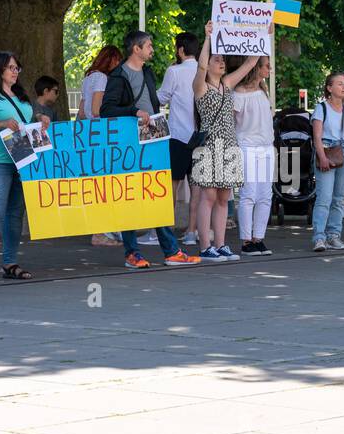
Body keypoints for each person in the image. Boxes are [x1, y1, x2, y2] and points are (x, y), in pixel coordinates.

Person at [100, 30, 200, 268]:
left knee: (158, 193)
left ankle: (170, 250)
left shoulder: (147, 72)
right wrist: (133, 112)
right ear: (136, 49)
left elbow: (154, 102)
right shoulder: (118, 76)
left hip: (154, 137)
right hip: (131, 142)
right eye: (148, 46)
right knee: (130, 196)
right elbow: (107, 110)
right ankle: (132, 252)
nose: (152, 49)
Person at [191, 20, 259, 263]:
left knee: (223, 197)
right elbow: (200, 67)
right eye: (216, 59)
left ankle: (220, 245)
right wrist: (207, 38)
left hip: (229, 146)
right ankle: (205, 246)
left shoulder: (227, 85)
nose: (221, 62)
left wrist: (263, 34)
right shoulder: (200, 86)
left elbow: (251, 62)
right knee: (207, 197)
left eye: (222, 60)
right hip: (209, 146)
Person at [0, 51, 42, 280]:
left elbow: (26, 123)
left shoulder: (20, 95)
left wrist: (40, 120)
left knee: (15, 213)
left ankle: (10, 262)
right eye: (11, 68)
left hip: (21, 157)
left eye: (17, 68)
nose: (15, 72)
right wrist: (4, 123)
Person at [158, 32, 202, 246]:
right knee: (196, 187)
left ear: (181, 50)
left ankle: (167, 229)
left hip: (178, 135)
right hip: (199, 137)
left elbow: (162, 97)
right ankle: (192, 230)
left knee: (172, 185)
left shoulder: (174, 71)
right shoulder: (204, 71)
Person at [78, 45, 123, 248]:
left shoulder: (88, 78)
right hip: (102, 134)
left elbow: (81, 112)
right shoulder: (103, 79)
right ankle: (102, 232)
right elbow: (97, 110)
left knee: (96, 184)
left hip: (88, 134)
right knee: (106, 183)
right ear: (111, 60)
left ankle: (101, 229)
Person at [231, 53, 274, 255]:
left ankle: (259, 237)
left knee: (265, 195)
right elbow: (232, 122)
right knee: (249, 194)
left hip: (266, 146)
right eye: (266, 65)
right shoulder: (238, 92)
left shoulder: (262, 90)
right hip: (247, 147)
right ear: (255, 67)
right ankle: (247, 240)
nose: (269, 69)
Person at [311, 72, 344, 252]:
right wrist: (321, 156)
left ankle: (334, 235)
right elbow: (317, 136)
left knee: (339, 199)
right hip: (327, 149)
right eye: (339, 84)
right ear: (329, 88)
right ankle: (319, 237)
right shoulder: (321, 108)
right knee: (324, 197)